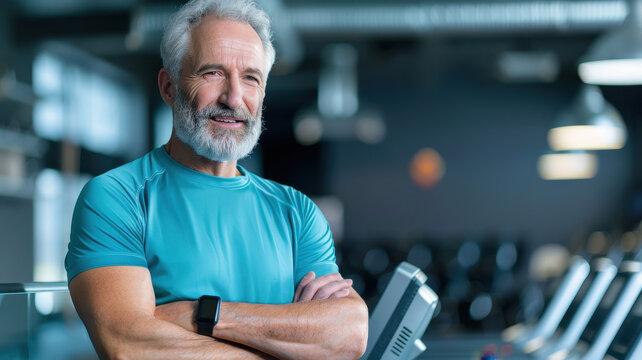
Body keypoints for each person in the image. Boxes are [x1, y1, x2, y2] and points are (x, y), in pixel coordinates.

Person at [64, 0, 368, 359]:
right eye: (213, 73)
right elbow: (129, 345)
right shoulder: (116, 198)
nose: (234, 97)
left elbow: (347, 335)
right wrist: (292, 345)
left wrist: (203, 315)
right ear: (169, 87)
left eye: (251, 78)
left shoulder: (297, 212)